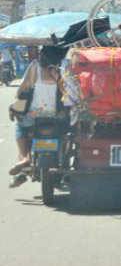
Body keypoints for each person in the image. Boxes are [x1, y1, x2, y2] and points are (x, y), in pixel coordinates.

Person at [8, 46, 67, 188]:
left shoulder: (34, 66)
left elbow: (22, 87)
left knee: (20, 125)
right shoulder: (64, 66)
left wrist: (15, 104)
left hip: (34, 115)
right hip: (57, 116)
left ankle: (24, 157)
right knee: (68, 133)